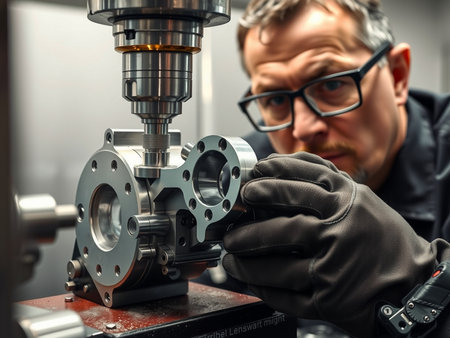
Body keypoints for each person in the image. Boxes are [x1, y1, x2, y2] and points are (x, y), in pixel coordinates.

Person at [220, 0, 450, 337]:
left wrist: (418, 283)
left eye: (331, 84)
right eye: (275, 100)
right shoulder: (247, 169)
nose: (304, 128)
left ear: (397, 75)